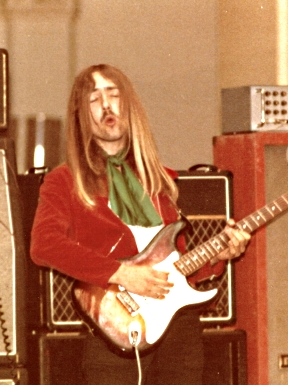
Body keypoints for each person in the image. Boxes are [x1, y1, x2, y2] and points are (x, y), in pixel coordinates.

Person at [30, 64, 251, 385]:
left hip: (178, 327)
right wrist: (120, 274)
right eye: (95, 98)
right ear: (81, 113)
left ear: (128, 107)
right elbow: (44, 245)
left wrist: (220, 255)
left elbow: (176, 264)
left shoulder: (161, 178)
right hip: (117, 324)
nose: (107, 105)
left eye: (114, 94)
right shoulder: (64, 181)